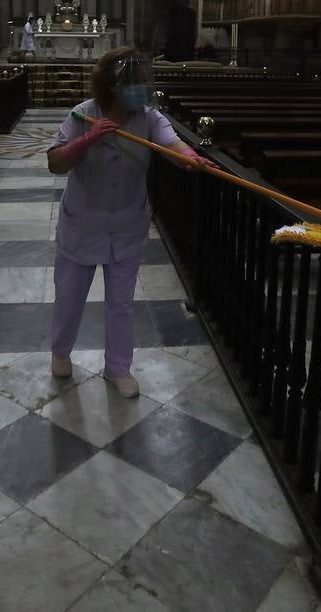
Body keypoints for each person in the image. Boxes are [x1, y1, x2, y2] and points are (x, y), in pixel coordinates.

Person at [47, 48, 212, 398]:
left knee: (121, 302)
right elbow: (56, 163)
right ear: (113, 84)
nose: (142, 88)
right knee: (70, 296)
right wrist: (89, 139)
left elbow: (173, 142)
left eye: (144, 82)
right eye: (134, 83)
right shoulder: (82, 115)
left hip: (127, 223)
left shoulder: (150, 118)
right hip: (82, 222)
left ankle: (118, 368)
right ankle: (60, 352)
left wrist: (189, 157)